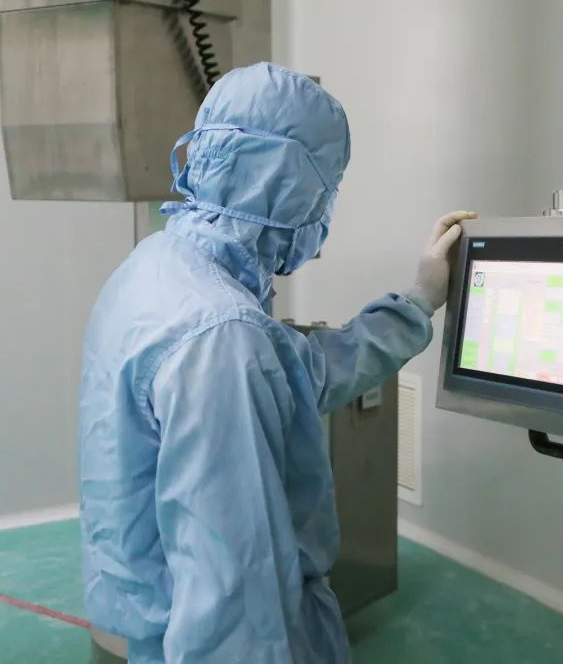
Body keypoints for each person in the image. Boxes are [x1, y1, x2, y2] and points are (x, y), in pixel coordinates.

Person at [79, 62, 476, 663]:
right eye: (328, 189)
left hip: (155, 622)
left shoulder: (158, 268)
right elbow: (234, 602)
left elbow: (299, 373)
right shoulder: (221, 337)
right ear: (293, 188)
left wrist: (418, 300)